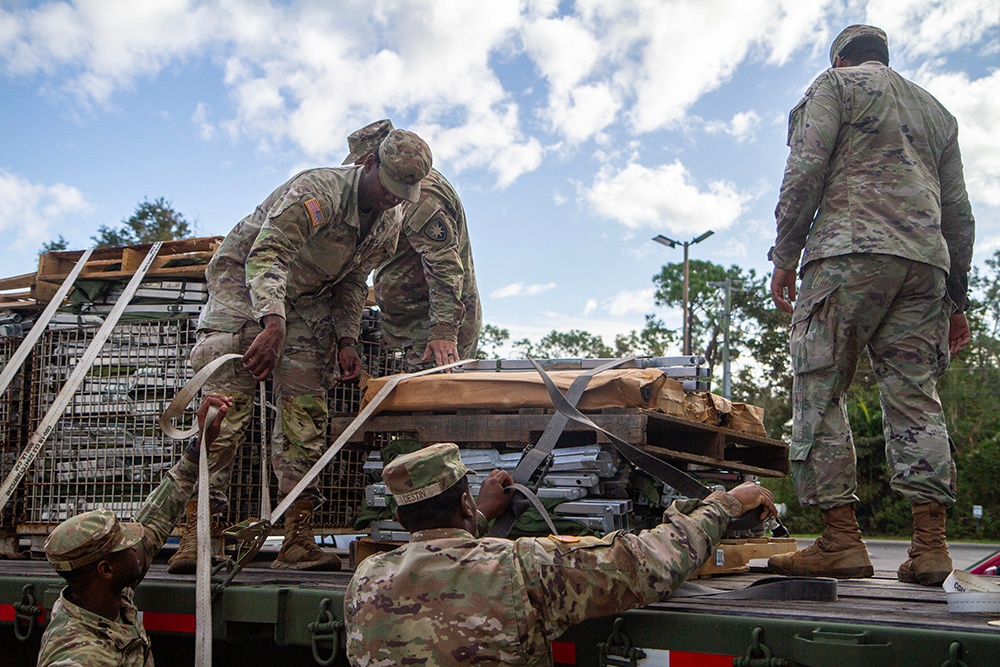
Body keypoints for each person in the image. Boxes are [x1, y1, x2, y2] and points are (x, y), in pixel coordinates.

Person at [168, 129, 433, 574]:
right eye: (389, 186)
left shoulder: (390, 220)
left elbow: (352, 282)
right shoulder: (318, 191)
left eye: (404, 192)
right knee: (224, 410)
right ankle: (198, 538)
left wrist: (347, 339)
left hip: (308, 299)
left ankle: (297, 538)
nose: (394, 199)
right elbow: (266, 253)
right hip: (246, 283)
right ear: (368, 163)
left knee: (306, 411)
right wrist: (272, 322)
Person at [767, 25, 976, 586]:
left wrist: (786, 253)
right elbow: (958, 211)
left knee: (819, 385)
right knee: (915, 398)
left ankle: (840, 540)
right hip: (925, 265)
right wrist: (956, 298)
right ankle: (930, 548)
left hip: (848, 253)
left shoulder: (835, 86)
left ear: (840, 58)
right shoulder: (936, 112)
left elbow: (805, 169)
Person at [344, 442, 776, 666]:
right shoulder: (519, 567)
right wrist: (725, 504)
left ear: (400, 523)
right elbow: (652, 561)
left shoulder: (366, 579)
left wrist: (479, 514)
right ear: (463, 504)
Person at [37, 394, 231, 667]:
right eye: (127, 546)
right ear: (106, 569)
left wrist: (200, 445)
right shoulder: (80, 657)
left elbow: (154, 519)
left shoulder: (106, 598)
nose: (138, 544)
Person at [343, 119, 481, 370]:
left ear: (376, 160)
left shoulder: (417, 196)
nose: (359, 170)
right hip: (411, 328)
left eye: (362, 163)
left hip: (429, 334)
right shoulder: (397, 191)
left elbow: (445, 266)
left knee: (427, 402)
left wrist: (442, 332)